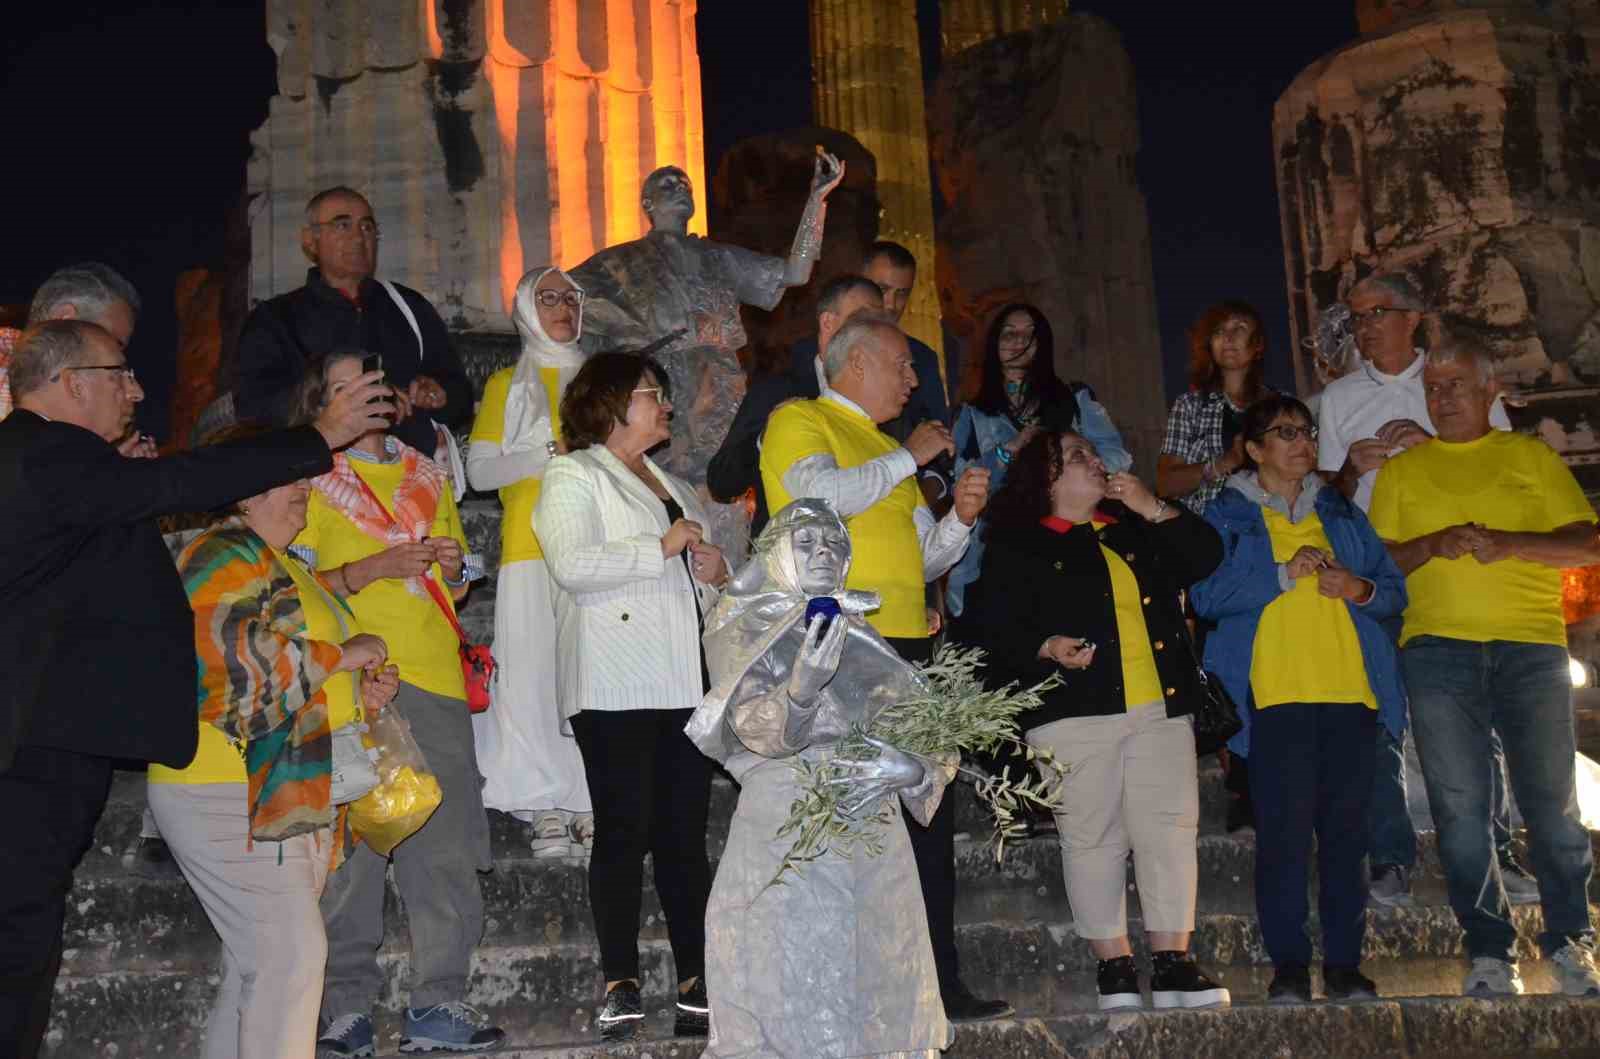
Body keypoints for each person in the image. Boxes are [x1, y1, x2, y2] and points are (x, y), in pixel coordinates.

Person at [0, 319, 390, 1056]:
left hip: (51, 748)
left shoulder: (57, 469)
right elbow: (181, 482)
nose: (138, 388)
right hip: (31, 757)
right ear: (70, 381)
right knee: (17, 957)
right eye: (120, 372)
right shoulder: (43, 451)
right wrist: (320, 433)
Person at [758, 312, 1010, 1022]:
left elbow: (925, 558)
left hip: (912, 648)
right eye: (903, 365)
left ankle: (938, 981)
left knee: (930, 816)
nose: (912, 380)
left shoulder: (885, 450)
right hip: (845, 648)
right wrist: (909, 459)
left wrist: (957, 518)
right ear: (858, 363)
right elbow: (818, 497)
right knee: (852, 823)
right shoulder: (800, 421)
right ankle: (847, 984)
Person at [962, 429, 1229, 1012]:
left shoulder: (1132, 528)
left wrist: (1153, 506)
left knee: (1169, 829)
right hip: (1070, 712)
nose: (1095, 460)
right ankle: (1113, 967)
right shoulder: (1019, 543)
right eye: (1076, 455)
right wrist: (1045, 645)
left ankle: (1174, 962)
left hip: (1160, 704)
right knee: (1092, 837)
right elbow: (990, 627)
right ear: (1048, 479)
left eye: (1092, 451)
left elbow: (1206, 556)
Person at [149, 439, 399, 1059]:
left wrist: (361, 692)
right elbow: (225, 659)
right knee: (290, 958)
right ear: (246, 488)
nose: (306, 491)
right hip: (224, 784)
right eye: (291, 480)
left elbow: (298, 675)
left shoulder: (286, 564)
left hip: (280, 782)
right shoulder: (223, 551)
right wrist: (345, 654)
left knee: (258, 965)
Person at [1369, 336, 1600, 998]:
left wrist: (1507, 545)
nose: (1441, 396)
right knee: (1460, 808)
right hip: (1437, 650)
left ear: (1489, 389)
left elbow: (1584, 543)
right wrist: (1434, 544)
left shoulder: (1528, 455)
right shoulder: (1402, 473)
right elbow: (1381, 565)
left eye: (1455, 385)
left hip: (1531, 647)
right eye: (1433, 386)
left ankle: (1570, 940)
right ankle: (1489, 949)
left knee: (1552, 804)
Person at [686, 499, 954, 1058]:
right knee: (789, 977)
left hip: (873, 832)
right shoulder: (743, 624)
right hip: (788, 824)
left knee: (879, 979)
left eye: (834, 543)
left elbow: (926, 734)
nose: (823, 553)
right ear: (777, 555)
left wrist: (911, 771)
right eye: (805, 543)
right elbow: (748, 729)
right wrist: (801, 691)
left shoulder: (865, 634)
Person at [299, 353, 503, 1055]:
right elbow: (289, 583)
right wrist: (369, 569)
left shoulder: (428, 471)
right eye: (344, 386)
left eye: (373, 382)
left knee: (444, 847)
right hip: (350, 685)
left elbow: (467, 577)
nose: (367, 394)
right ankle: (344, 1009)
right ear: (321, 402)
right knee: (353, 850)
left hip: (437, 679)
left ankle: (439, 1002)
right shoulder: (310, 477)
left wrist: (457, 565)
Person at [1315, 272, 1529, 910]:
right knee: (1379, 714)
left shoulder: (1455, 376)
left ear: (1414, 316)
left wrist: (1433, 447)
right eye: (1356, 317)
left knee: (1473, 717)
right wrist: (1353, 468)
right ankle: (1390, 857)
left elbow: (1502, 467)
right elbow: (1327, 499)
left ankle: (1498, 853)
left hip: (1453, 563)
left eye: (1378, 312)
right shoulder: (1338, 398)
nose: (1365, 326)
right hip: (1375, 568)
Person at [535, 352, 729, 1040]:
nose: (667, 406)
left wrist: (714, 568)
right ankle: (620, 980)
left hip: (682, 680)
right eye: (654, 394)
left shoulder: (676, 483)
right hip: (614, 680)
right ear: (612, 402)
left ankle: (696, 981)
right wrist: (660, 544)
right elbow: (571, 563)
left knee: (683, 837)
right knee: (623, 829)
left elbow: (698, 578)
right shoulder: (573, 472)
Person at [1190, 396, 1408, 1004]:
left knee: (1346, 838)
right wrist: (1284, 574)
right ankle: (1288, 967)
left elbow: (1392, 589)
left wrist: (1357, 586)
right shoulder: (1227, 515)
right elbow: (1205, 597)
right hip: (1274, 702)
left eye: (1306, 431)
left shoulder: (1339, 509)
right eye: (1283, 433)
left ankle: (1343, 966)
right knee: (1282, 841)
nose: (1301, 442)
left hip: (1351, 697)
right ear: (1254, 449)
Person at [569, 157, 843, 540]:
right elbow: (564, 297)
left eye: (684, 183)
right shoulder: (620, 261)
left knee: (727, 488)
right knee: (667, 483)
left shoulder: (718, 257)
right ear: (646, 203)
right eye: (667, 184)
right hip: (663, 383)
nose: (679, 187)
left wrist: (817, 201)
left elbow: (793, 273)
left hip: (722, 380)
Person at [464, 266, 593, 857]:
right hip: (528, 546)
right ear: (523, 308)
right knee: (535, 674)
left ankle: (587, 799)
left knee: (589, 678)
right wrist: (545, 451)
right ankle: (544, 803)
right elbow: (480, 471)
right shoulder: (506, 388)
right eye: (548, 298)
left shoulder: (602, 382)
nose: (562, 307)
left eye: (570, 297)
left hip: (597, 548)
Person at [232, 185, 473, 458]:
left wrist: (439, 395)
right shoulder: (275, 318)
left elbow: (461, 397)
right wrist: (353, 398)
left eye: (367, 228)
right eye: (342, 225)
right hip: (320, 477)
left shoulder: (409, 307)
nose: (359, 237)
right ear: (310, 240)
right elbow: (253, 407)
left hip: (409, 476)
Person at [945, 302, 1131, 621]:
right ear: (992, 343)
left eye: (1030, 335)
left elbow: (1118, 456)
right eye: (1009, 333)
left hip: (1071, 533)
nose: (1020, 341)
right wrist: (1010, 450)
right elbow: (962, 481)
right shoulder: (971, 414)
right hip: (1000, 543)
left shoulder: (1074, 398)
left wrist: (1070, 456)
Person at [707, 273, 882, 534]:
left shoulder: (884, 395)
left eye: (879, 323)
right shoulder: (778, 389)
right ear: (828, 323)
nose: (874, 333)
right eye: (862, 320)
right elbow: (722, 482)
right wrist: (767, 434)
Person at [790, 242, 950, 462]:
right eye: (882, 289)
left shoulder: (922, 358)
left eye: (902, 293)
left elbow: (939, 442)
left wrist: (928, 485)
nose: (891, 304)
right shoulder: (800, 355)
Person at [1157, 300, 1276, 515]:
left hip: (1271, 526)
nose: (1228, 338)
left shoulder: (1281, 405)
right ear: (1210, 344)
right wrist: (1225, 462)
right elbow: (1166, 484)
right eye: (1219, 331)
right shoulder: (1190, 405)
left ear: (1258, 345)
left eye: (1239, 328)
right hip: (1208, 530)